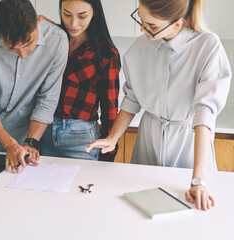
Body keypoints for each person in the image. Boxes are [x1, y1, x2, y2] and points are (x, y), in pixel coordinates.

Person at [86, 0, 232, 210]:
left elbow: (205, 115)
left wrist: (198, 180)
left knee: (187, 212)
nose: (143, 29)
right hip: (148, 139)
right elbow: (132, 98)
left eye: (151, 26)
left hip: (189, 142)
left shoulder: (208, 46)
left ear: (177, 24)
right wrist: (112, 137)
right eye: (142, 21)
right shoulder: (140, 48)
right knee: (140, 207)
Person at [0, 0, 69, 173]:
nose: (23, 55)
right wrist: (9, 144)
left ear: (38, 22)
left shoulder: (57, 41)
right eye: (13, 49)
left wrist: (31, 142)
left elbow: (47, 99)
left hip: (24, 140)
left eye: (28, 44)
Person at [40, 0, 120, 161]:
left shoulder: (105, 53)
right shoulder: (52, 40)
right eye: (66, 14)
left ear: (94, 13)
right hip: (43, 131)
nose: (73, 23)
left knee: (81, 186)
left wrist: (108, 151)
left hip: (80, 137)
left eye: (82, 16)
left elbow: (109, 107)